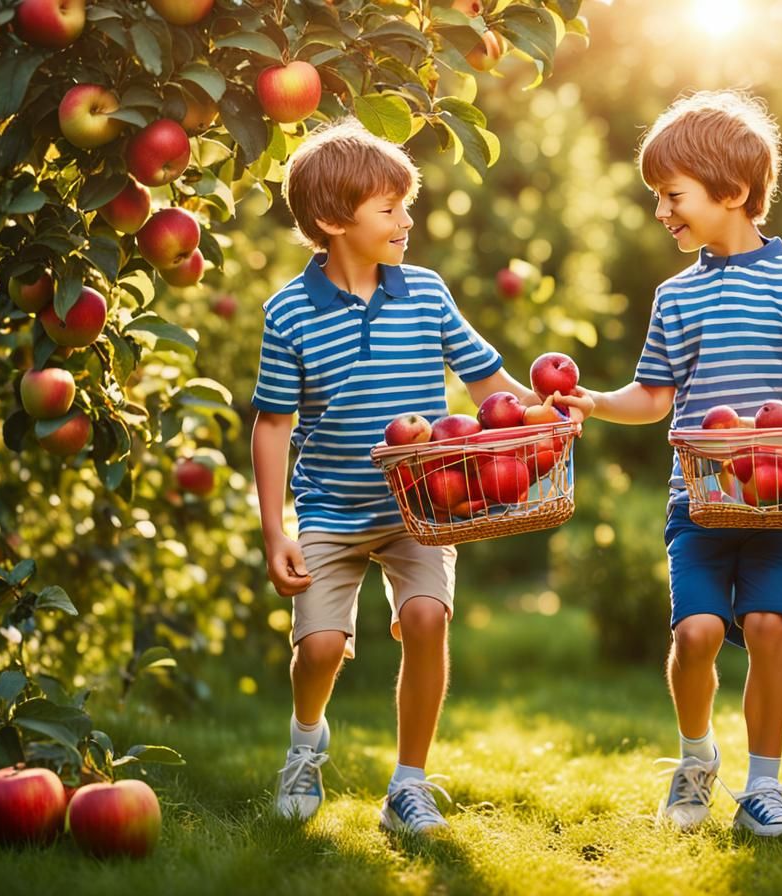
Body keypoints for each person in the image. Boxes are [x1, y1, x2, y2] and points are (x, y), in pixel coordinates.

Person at [558, 90, 782, 837]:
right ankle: (697, 760)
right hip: (700, 501)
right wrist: (595, 402)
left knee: (769, 624)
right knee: (697, 633)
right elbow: (653, 395)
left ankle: (764, 787)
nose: (661, 210)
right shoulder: (675, 295)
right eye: (657, 197)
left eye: (672, 195)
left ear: (732, 193)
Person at [251, 118, 552, 835]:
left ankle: (409, 785)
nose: (406, 220)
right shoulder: (289, 312)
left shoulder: (425, 293)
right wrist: (275, 530)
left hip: (424, 503)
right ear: (332, 220)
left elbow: (488, 384)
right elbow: (271, 424)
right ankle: (305, 742)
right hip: (329, 508)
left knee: (425, 619)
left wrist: (540, 414)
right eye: (389, 208)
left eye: (404, 205)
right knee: (320, 647)